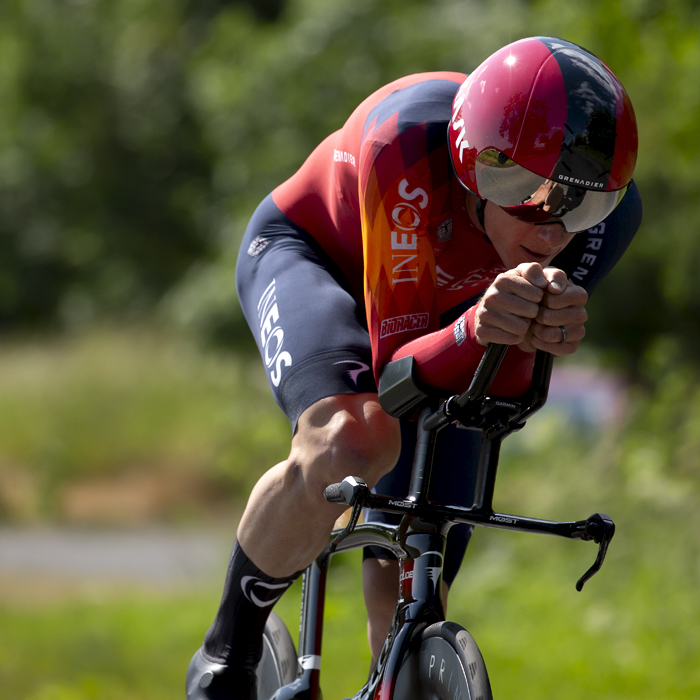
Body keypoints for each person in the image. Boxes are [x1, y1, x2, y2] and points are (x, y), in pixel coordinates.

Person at [186, 36, 642, 699]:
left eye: (582, 203)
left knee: (421, 549)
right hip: (319, 261)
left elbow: (504, 398)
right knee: (352, 438)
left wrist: (537, 335)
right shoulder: (407, 142)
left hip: (450, 319)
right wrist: (477, 328)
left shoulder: (609, 217)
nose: (551, 230)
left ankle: (394, 673)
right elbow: (396, 370)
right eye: (524, 191)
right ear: (473, 163)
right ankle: (227, 653)